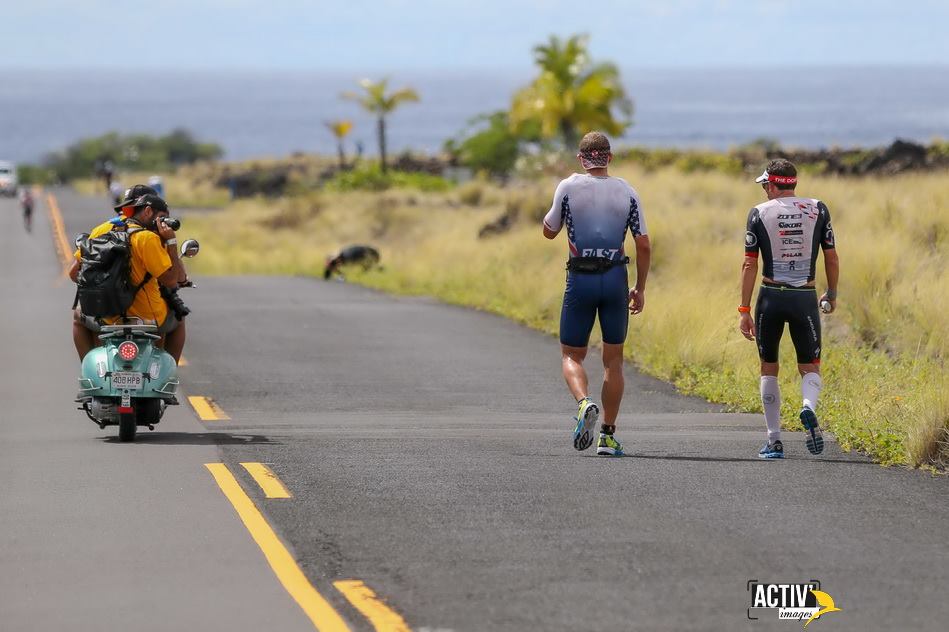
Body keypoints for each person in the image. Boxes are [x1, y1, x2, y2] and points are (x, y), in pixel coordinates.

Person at [542, 131, 651, 457]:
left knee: (571, 355)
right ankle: (607, 435)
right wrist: (641, 288)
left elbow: (549, 231)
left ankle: (584, 402)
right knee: (613, 361)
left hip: (581, 277)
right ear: (609, 158)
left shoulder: (568, 186)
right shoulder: (627, 191)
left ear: (582, 158)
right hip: (615, 277)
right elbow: (643, 243)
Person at [739, 158, 839, 459]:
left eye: (765, 185)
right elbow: (831, 257)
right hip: (805, 297)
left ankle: (774, 441)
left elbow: (749, 263)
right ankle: (808, 407)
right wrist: (831, 293)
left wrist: (744, 309)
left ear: (771, 184)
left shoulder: (759, 213)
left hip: (770, 296)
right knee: (810, 366)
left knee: (769, 367)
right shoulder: (818, 208)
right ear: (793, 183)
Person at [70, 194, 189, 363]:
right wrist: (170, 241)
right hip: (147, 316)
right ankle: (169, 375)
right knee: (179, 317)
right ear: (147, 211)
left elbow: (73, 273)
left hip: (107, 316)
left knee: (78, 317)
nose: (163, 223)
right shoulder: (148, 238)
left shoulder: (100, 230)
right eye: (162, 218)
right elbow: (170, 280)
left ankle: (87, 368)